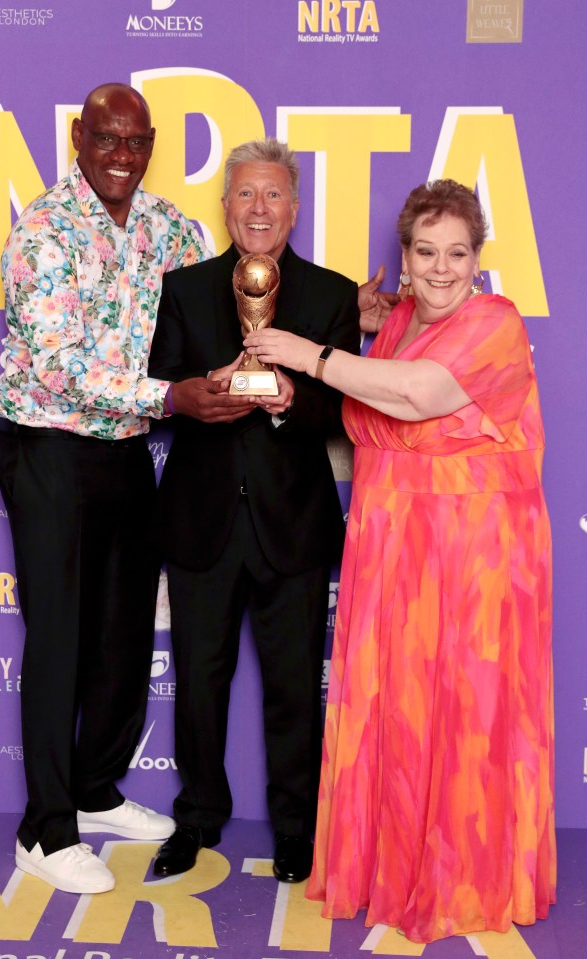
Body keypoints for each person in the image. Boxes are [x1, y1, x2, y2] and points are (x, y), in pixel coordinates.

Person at [244, 179, 555, 941]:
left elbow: (417, 397)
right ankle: (397, 860)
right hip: (397, 559)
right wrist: (358, 326)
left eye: (457, 253)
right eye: (426, 252)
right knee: (404, 716)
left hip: (472, 565)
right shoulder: (403, 321)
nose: (441, 268)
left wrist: (310, 353)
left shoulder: (496, 323)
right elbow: (377, 398)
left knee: (463, 713)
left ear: (478, 260)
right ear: (404, 258)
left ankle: (464, 875)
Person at [0, 82, 253, 895]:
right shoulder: (41, 229)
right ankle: (45, 827)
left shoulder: (171, 227)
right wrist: (170, 396)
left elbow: (225, 310)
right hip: (49, 445)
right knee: (62, 635)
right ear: (78, 137)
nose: (120, 155)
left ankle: (99, 788)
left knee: (121, 635)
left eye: (134, 141)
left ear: (151, 142)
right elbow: (59, 363)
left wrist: (343, 311)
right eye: (105, 138)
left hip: (130, 451)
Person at [149, 138, 361, 884]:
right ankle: (198, 817)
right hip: (202, 522)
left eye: (273, 195)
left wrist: (290, 400)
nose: (259, 208)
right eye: (245, 194)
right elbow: (162, 389)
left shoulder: (332, 295)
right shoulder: (183, 288)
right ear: (227, 205)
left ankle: (299, 832)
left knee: (295, 686)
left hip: (293, 524)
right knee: (199, 684)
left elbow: (342, 409)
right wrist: (209, 383)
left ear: (294, 208)